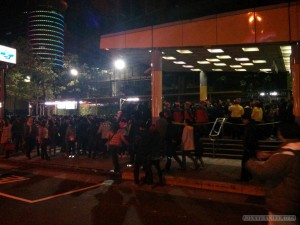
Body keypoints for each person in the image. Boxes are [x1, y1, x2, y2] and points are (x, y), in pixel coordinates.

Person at [246, 119, 300, 225]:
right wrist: (271, 156)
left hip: (284, 203)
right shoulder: (294, 149)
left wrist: (250, 162)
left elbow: (264, 171)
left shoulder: (286, 154)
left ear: (281, 134)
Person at [240, 114, 257, 181]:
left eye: (243, 120)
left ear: (247, 119)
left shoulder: (250, 127)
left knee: (245, 163)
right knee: (247, 163)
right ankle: (247, 177)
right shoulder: (251, 126)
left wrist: (247, 147)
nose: (242, 121)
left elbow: (251, 138)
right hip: (250, 148)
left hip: (249, 148)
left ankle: (245, 178)